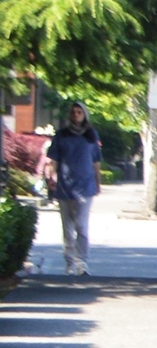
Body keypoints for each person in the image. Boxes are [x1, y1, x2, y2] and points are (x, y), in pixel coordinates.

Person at [45, 101, 102, 277]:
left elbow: (96, 162)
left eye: (80, 112)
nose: (76, 115)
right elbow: (53, 160)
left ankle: (82, 263)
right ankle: (69, 263)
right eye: (74, 112)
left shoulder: (91, 135)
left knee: (82, 227)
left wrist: (98, 183)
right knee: (67, 228)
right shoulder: (61, 135)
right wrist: (51, 177)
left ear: (85, 115)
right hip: (65, 187)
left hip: (86, 187)